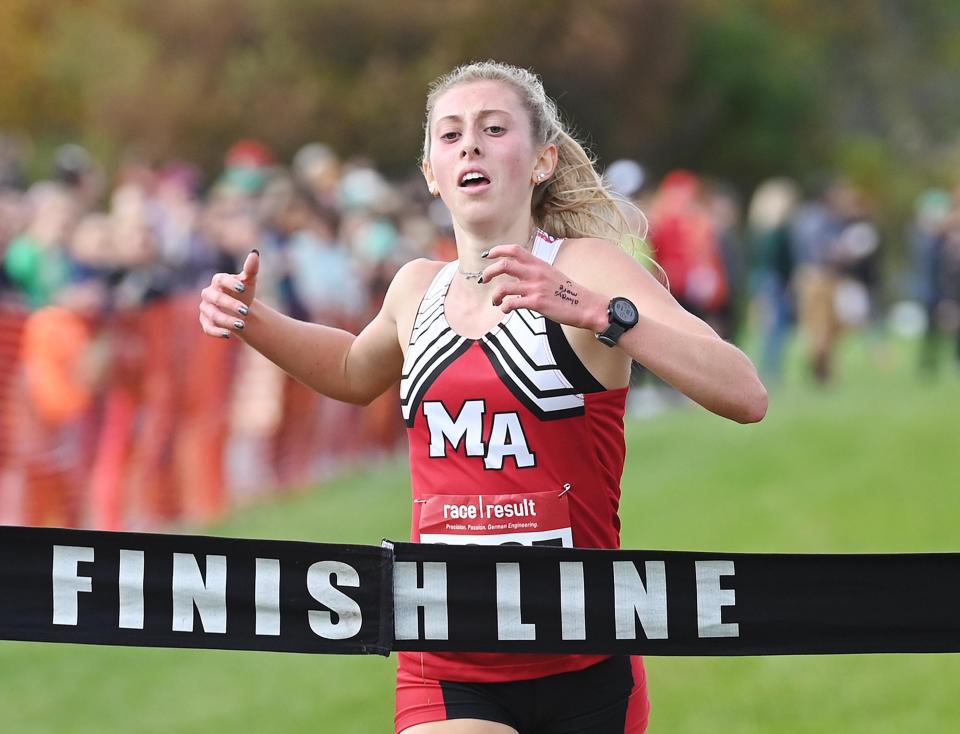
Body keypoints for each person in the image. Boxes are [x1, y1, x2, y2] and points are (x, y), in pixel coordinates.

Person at [199, 60, 768, 734]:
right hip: (445, 663)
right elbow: (354, 370)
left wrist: (599, 312)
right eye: (450, 134)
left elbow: (744, 392)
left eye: (494, 129)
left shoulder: (585, 269)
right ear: (430, 175)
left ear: (541, 162)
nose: (469, 144)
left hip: (585, 660)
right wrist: (254, 319)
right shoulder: (416, 289)